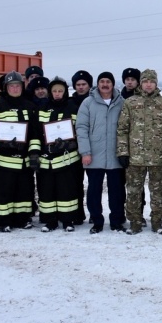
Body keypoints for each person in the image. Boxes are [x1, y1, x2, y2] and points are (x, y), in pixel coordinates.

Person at [117, 69, 162, 235]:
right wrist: (123, 152)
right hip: (135, 157)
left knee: (158, 192)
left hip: (159, 157)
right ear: (140, 83)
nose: (148, 84)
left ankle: (157, 221)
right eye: (145, 81)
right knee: (134, 191)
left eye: (151, 81)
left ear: (156, 83)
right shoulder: (130, 103)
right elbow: (122, 129)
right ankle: (135, 221)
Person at [0, 71, 41, 232]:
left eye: (17, 85)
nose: (15, 88)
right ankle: (3, 221)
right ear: (6, 87)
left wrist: (33, 153)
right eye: (11, 86)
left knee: (24, 191)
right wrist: (2, 145)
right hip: (3, 161)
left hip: (24, 160)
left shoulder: (30, 107)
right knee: (4, 191)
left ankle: (23, 219)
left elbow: (35, 133)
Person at [76, 71, 127, 234]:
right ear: (97, 84)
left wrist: (125, 152)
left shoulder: (122, 103)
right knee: (94, 191)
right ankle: (97, 220)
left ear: (113, 84)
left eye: (108, 81)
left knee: (117, 191)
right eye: (102, 81)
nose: (105, 84)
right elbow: (81, 128)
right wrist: (85, 152)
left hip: (115, 155)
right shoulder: (88, 103)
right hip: (94, 155)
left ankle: (117, 221)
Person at [36, 77, 80, 232]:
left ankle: (68, 220)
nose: (57, 94)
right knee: (47, 191)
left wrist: (69, 144)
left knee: (66, 190)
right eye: (54, 91)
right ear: (50, 92)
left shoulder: (72, 108)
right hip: (46, 159)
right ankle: (50, 221)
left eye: (60, 91)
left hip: (66, 159)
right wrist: (35, 153)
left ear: (65, 92)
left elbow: (78, 132)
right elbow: (36, 133)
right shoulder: (42, 108)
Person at [68, 69, 93, 225]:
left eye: (84, 84)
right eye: (78, 84)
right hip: (72, 148)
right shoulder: (69, 104)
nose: (81, 87)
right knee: (75, 182)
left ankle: (93, 213)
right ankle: (78, 213)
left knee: (93, 183)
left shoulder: (94, 101)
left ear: (89, 85)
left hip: (91, 148)